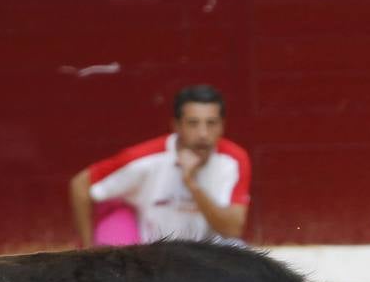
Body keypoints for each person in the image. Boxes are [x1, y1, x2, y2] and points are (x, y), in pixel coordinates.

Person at [69, 84, 252, 247]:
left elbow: (232, 229)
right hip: (153, 263)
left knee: (240, 253)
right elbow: (80, 185)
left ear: (222, 126)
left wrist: (192, 184)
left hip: (206, 257)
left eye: (211, 123)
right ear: (176, 126)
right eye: (193, 124)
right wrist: (87, 250)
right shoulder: (145, 159)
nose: (203, 134)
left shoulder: (234, 160)